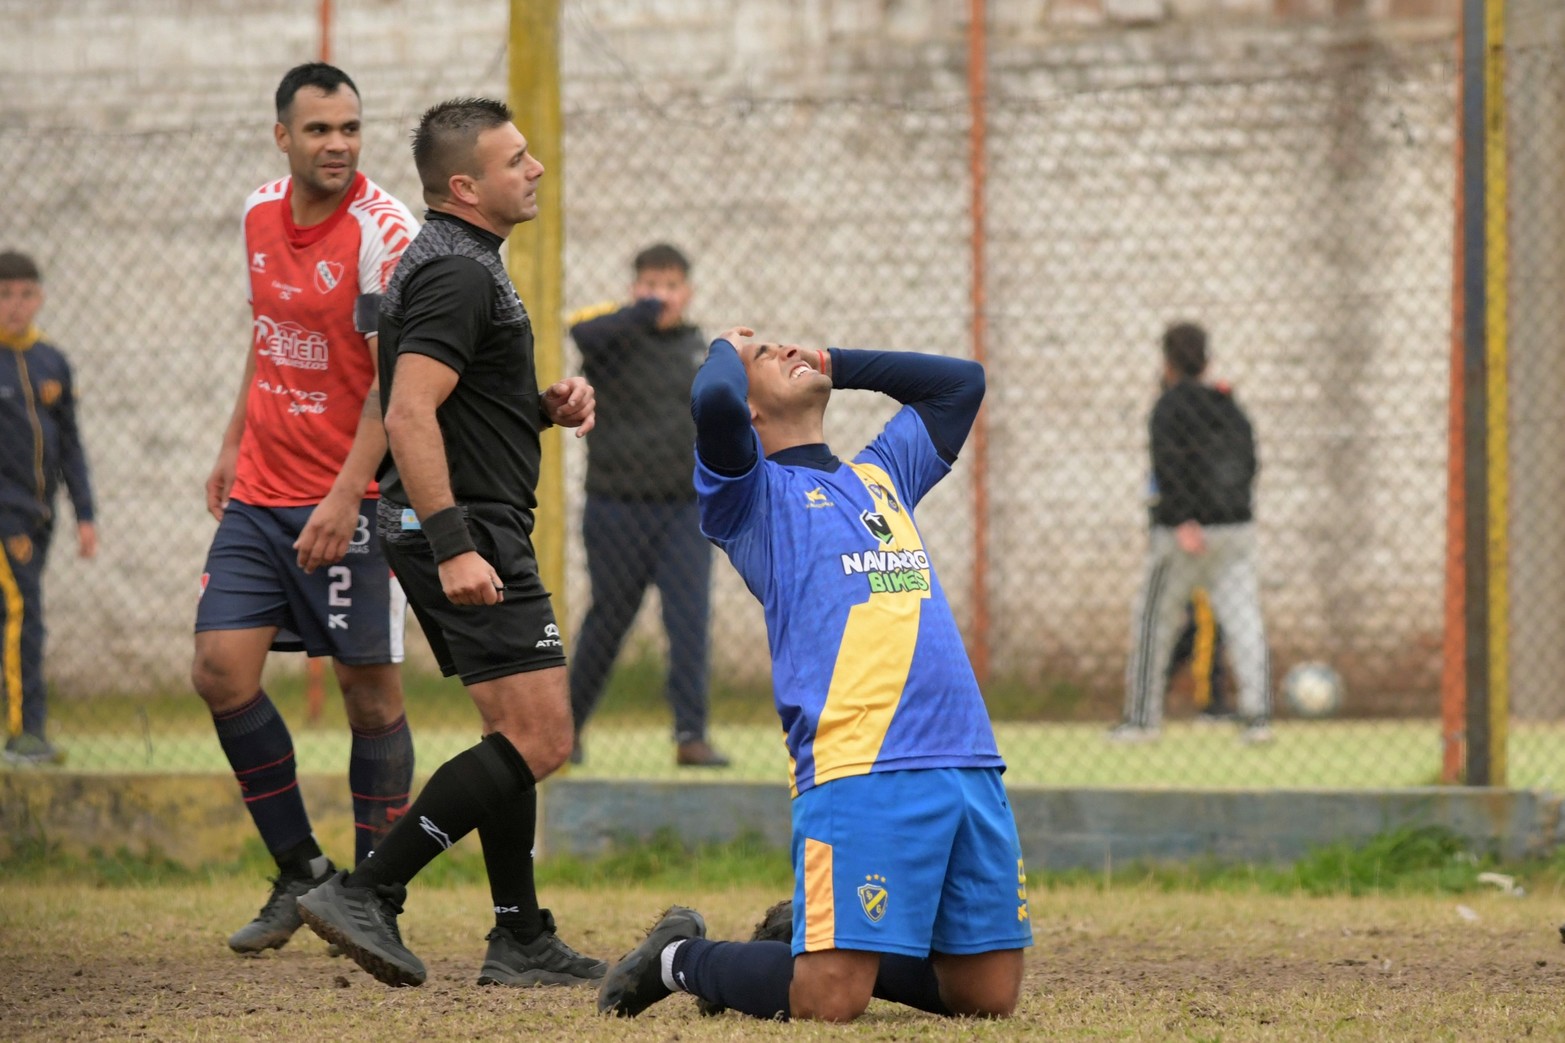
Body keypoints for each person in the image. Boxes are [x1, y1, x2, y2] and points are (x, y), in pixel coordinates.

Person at [597, 329, 1032, 1023]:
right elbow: (711, 397)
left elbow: (961, 382)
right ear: (751, 414)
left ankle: (812, 938)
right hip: (859, 764)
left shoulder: (882, 472)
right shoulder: (751, 499)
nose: (782, 347)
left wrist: (834, 364)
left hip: (964, 759)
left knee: (985, 996)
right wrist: (723, 349)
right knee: (829, 1000)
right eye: (765, 355)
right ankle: (678, 958)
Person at [296, 96, 604, 991]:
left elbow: (447, 399)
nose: (536, 167)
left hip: (469, 516)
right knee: (541, 738)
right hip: (466, 528)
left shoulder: (461, 260)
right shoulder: (457, 273)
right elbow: (406, 411)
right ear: (465, 185)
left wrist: (535, 410)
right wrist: (455, 543)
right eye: (516, 159)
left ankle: (519, 935)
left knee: (510, 731)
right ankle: (370, 889)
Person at [191, 63, 418, 954]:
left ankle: (371, 895)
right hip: (260, 490)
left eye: (351, 129)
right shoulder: (256, 212)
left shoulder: (382, 233)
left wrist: (342, 495)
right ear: (281, 135)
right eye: (319, 129)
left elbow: (389, 384)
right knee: (220, 670)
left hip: (352, 497)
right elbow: (267, 336)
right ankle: (302, 870)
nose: (338, 144)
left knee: (369, 695)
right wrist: (228, 442)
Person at [566, 243, 726, 768]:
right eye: (650, 285)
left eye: (671, 286)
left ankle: (690, 735)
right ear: (635, 288)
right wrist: (639, 313)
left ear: (689, 292)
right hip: (616, 506)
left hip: (684, 511)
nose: (661, 295)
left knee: (688, 619)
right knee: (609, 617)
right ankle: (565, 730)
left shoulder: (697, 346)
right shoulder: (612, 338)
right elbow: (582, 333)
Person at [1111, 321, 1271, 745]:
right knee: (1244, 621)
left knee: (1153, 621)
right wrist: (1232, 513)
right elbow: (1250, 463)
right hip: (1235, 531)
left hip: (1181, 536)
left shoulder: (1169, 407)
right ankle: (1258, 719)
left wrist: (1184, 519)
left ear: (1167, 361)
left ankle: (1143, 721)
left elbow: (1168, 465)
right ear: (1206, 357)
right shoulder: (1229, 404)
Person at [0, 250, 96, 767]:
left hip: (42, 516)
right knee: (23, 614)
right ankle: (24, 733)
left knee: (13, 614)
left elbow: (72, 445)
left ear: (38, 298)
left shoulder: (51, 361)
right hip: (4, 516)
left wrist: (85, 514)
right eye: (4, 294)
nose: (15, 305)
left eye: (24, 294)